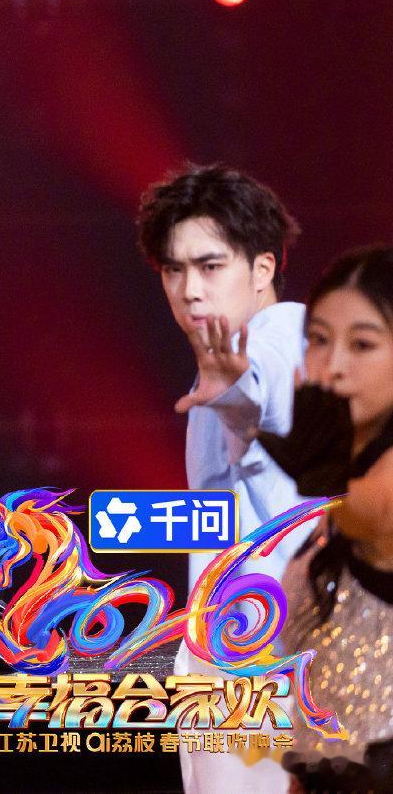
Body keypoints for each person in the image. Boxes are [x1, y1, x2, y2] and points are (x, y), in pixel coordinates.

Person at [137, 162, 309, 792]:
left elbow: (261, 393)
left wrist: (234, 389)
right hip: (237, 662)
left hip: (270, 672)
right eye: (173, 270)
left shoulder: (282, 338)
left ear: (262, 269)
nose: (190, 290)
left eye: (210, 267)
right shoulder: (226, 364)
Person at [258, 245, 393, 793]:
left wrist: (326, 483)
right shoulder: (343, 469)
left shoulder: (363, 484)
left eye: (362, 344)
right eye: (318, 339)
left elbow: (377, 515)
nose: (333, 365)